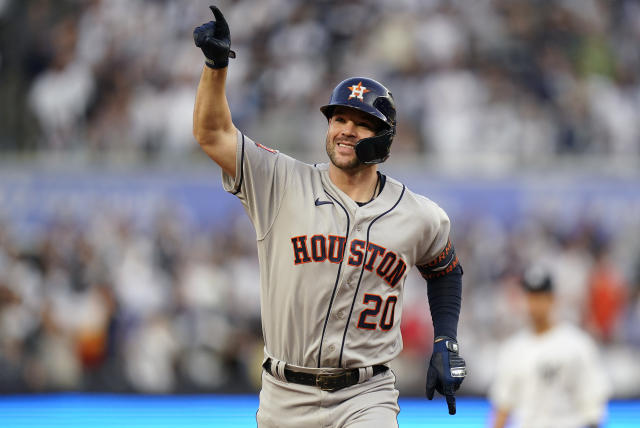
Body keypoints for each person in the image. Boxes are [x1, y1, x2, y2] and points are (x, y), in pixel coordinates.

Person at [192, 6, 466, 427]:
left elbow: (446, 271)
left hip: (366, 394)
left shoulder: (420, 215)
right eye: (339, 118)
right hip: (284, 393)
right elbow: (213, 134)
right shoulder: (280, 181)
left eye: (362, 123)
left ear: (385, 139)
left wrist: (445, 339)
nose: (346, 130)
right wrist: (215, 67)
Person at [489, 266, 610, 428]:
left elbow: (593, 406)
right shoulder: (512, 349)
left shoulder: (578, 344)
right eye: (530, 297)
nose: (534, 304)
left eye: (540, 297)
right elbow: (502, 407)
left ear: (552, 299)